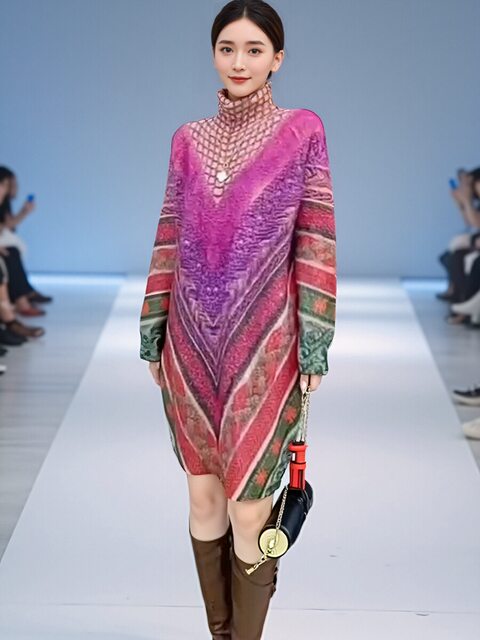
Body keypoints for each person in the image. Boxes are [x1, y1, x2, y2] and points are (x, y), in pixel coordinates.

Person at [139, 1, 337, 637]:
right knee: (204, 499)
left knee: (250, 509)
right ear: (213, 55)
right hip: (190, 344)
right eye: (228, 48)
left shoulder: (302, 131)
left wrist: (315, 340)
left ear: (277, 58)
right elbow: (169, 234)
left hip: (267, 345)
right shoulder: (186, 139)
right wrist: (153, 328)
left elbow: (315, 239)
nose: (239, 61)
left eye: (254, 49)